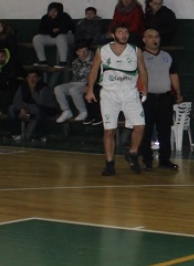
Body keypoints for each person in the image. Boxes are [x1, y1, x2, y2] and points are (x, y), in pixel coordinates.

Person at [85, 23, 149, 176]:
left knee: (140, 127)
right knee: (109, 130)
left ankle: (132, 153)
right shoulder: (103, 50)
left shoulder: (136, 51)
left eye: (126, 32)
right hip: (109, 93)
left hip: (130, 93)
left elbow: (142, 70)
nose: (123, 35)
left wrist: (145, 87)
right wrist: (89, 89)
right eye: (120, 32)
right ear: (113, 35)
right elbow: (94, 70)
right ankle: (109, 163)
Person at [138, 29, 182, 171]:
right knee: (147, 130)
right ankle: (147, 160)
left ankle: (165, 159)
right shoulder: (140, 57)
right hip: (147, 98)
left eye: (157, 36)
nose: (154, 39)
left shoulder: (167, 56)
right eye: (150, 37)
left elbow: (173, 75)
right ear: (144, 40)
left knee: (165, 130)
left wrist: (178, 93)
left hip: (165, 98)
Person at [7, 71, 58, 142]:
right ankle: (16, 134)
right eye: (29, 77)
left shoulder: (43, 87)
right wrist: (22, 109)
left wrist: (32, 90)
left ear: (39, 78)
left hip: (47, 112)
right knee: (11, 108)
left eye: (34, 77)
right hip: (28, 114)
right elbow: (16, 100)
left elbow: (40, 103)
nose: (31, 79)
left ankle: (42, 136)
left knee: (39, 110)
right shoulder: (23, 86)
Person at [54, 45, 95, 123]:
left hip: (85, 83)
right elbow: (78, 74)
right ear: (77, 52)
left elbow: (87, 75)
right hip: (74, 82)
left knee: (74, 90)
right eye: (80, 51)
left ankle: (83, 111)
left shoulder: (94, 60)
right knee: (58, 88)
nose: (83, 53)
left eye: (85, 50)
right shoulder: (75, 62)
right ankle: (66, 110)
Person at [32, 1, 75, 68]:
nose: (52, 13)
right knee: (37, 38)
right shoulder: (45, 18)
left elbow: (65, 29)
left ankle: (63, 62)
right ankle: (42, 61)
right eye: (51, 11)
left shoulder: (65, 16)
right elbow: (41, 30)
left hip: (67, 37)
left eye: (55, 11)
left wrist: (57, 30)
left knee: (60, 37)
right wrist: (51, 30)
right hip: (53, 37)